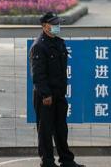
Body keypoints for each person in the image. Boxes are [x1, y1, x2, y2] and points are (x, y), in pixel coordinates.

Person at [29, 12, 85, 167]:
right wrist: (46, 94)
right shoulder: (39, 46)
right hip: (46, 96)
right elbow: (38, 75)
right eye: (54, 24)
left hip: (59, 94)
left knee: (61, 128)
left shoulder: (59, 43)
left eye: (58, 24)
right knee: (45, 131)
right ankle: (47, 162)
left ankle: (66, 160)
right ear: (44, 26)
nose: (57, 27)